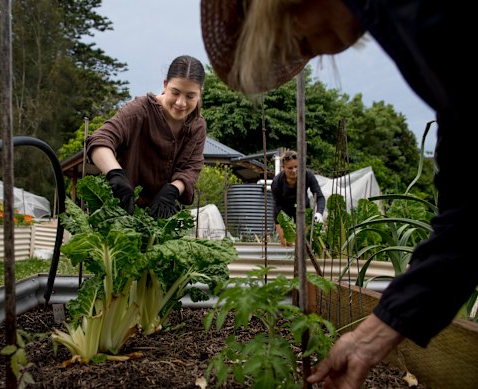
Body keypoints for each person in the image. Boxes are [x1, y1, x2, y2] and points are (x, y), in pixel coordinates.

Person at [200, 0, 475, 388]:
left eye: (291, 35)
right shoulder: (404, 27)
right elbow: (466, 214)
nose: (304, 52)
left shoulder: (419, 16)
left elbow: (464, 210)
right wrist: (371, 338)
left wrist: (317, 216)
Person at [86, 55, 206, 219]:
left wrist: (173, 189)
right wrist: (115, 174)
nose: (181, 103)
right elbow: (100, 140)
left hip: (162, 218)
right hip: (120, 213)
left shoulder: (198, 126)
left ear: (200, 94)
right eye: (175, 92)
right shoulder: (139, 110)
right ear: (165, 85)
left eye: (190, 96)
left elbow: (191, 169)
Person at [271, 149, 325, 247]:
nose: (294, 170)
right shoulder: (277, 182)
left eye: (296, 167)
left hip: (303, 208)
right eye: (290, 168)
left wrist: (319, 213)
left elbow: (320, 196)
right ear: (283, 168)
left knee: (302, 243)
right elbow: (277, 207)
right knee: (287, 243)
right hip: (283, 211)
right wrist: (281, 227)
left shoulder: (308, 175)